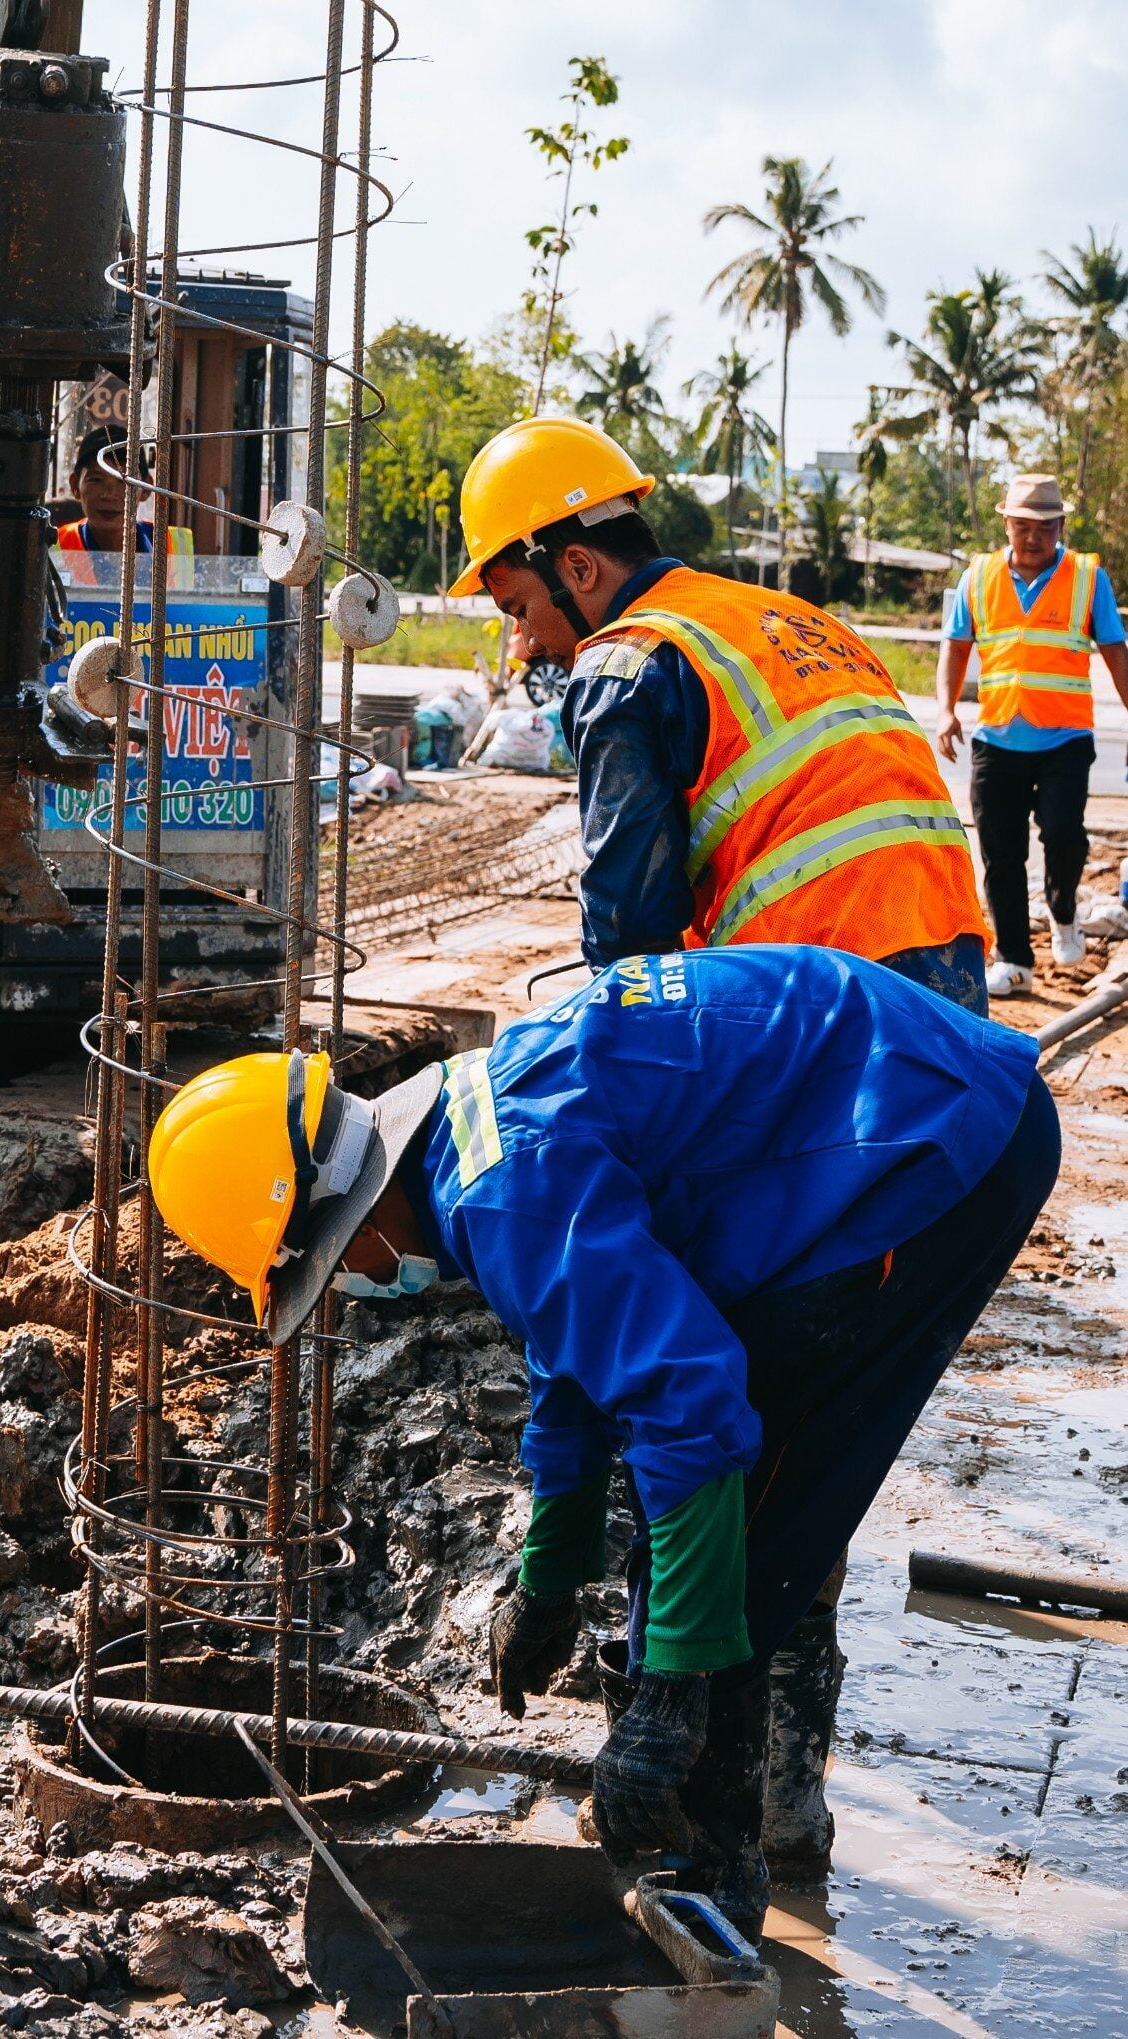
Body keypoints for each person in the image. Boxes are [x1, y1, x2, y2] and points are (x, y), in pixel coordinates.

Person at [147, 946, 1058, 1935]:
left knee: (756, 1519)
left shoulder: (502, 1187)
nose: (355, 1284)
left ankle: (711, 1863)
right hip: (878, 1096)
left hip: (926, 1147)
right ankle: (697, 1810)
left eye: (332, 1271)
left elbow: (689, 1406)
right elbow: (576, 1345)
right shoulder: (461, 1130)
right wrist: (551, 1572)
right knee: (704, 1532)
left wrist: (669, 1690)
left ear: (339, 1216)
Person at [448, 417, 990, 1015]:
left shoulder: (622, 661)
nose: (523, 643)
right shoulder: (790, 616)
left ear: (577, 568)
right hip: (947, 945)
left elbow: (630, 916)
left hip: (822, 976)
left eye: (518, 609)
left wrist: (619, 1027)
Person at [936, 472, 1128, 998]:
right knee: (999, 854)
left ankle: (1064, 913)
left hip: (1065, 739)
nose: (1033, 537)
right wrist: (947, 710)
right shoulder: (978, 576)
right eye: (1022, 526)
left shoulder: (1089, 578)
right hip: (996, 739)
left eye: (1044, 526)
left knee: (1065, 837)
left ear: (1061, 526)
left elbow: (1114, 651)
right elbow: (955, 645)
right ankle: (1015, 960)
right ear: (1007, 524)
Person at [55, 425, 191, 587]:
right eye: (96, 480)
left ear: (146, 488)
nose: (109, 494)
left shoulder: (176, 545)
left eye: (125, 482)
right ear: (75, 486)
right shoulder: (53, 548)